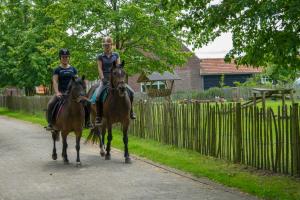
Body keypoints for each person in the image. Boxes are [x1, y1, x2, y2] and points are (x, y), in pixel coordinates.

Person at [45, 48, 91, 130]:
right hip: (61, 93)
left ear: (69, 58)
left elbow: (77, 81)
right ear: (60, 58)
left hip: (72, 93)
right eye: (63, 57)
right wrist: (57, 92)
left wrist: (82, 87)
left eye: (66, 57)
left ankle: (87, 122)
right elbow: (55, 82)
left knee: (87, 103)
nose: (65, 59)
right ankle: (50, 123)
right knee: (50, 104)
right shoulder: (57, 70)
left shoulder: (73, 69)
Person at [95, 36, 136, 126]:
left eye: (108, 45)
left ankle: (131, 112)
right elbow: (99, 68)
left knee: (132, 92)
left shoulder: (116, 55)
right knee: (98, 96)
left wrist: (120, 79)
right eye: (105, 45)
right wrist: (102, 78)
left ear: (111, 45)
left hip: (116, 79)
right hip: (105, 79)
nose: (106, 47)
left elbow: (119, 67)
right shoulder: (100, 56)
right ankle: (98, 116)